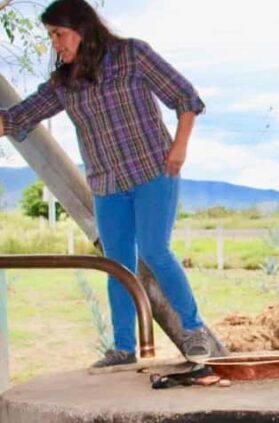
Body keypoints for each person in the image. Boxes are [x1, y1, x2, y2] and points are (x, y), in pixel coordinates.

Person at [0, 0, 226, 368]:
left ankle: (193, 328)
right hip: (107, 184)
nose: (55, 44)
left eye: (58, 34)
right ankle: (123, 349)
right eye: (51, 37)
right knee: (117, 263)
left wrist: (179, 148)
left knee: (154, 251)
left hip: (154, 170)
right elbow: (17, 117)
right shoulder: (64, 83)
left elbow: (185, 97)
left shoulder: (132, 54)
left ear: (82, 28)